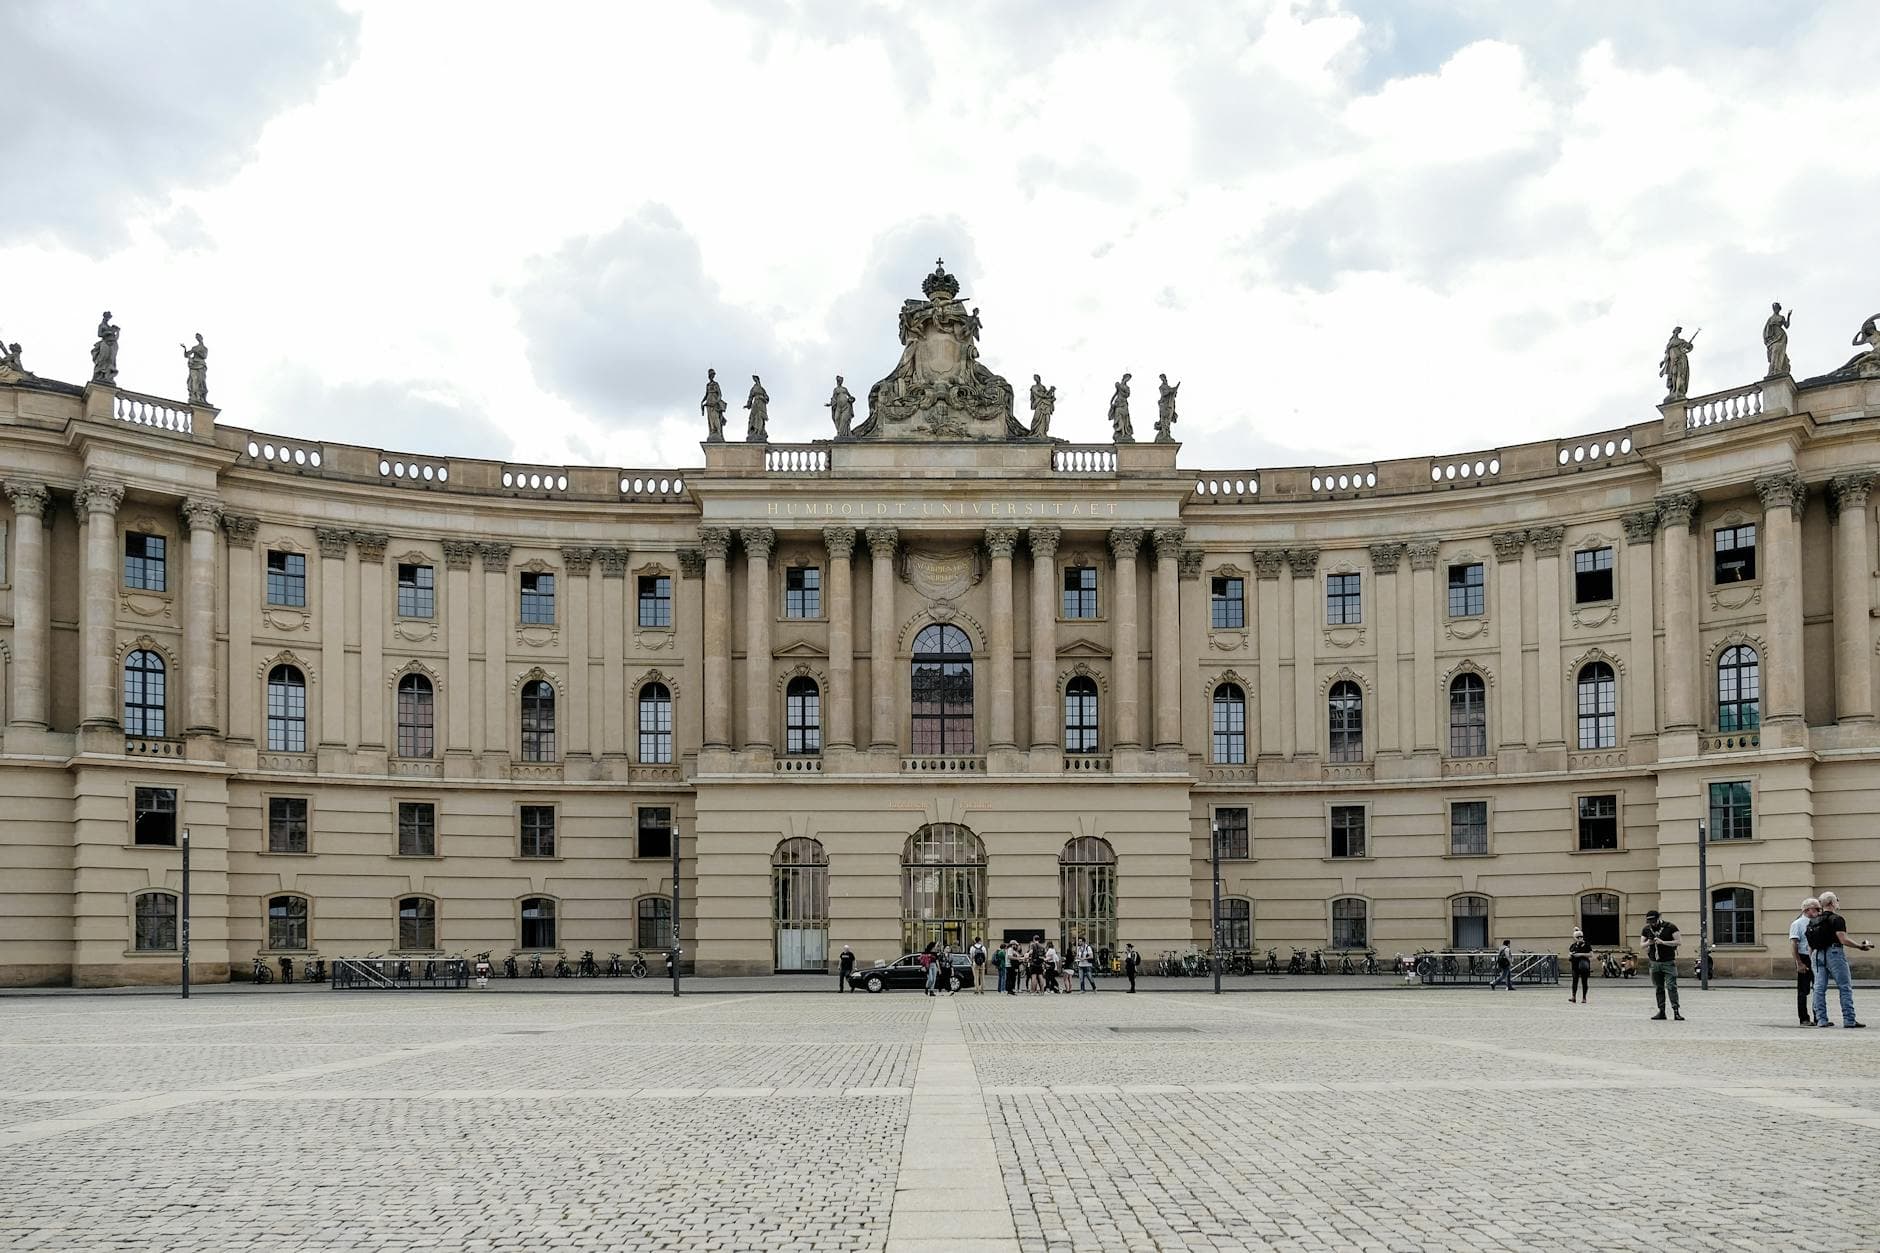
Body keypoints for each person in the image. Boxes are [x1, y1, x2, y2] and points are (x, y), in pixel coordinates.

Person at [1808, 890, 1874, 1028]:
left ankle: (1821, 1019)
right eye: (1837, 900)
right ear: (1832, 903)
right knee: (1844, 987)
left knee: (1819, 988)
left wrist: (1813, 958)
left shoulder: (1813, 920)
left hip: (1817, 954)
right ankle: (1849, 1019)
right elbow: (1843, 939)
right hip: (1834, 953)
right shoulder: (1837, 919)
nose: (1838, 903)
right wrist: (1860, 947)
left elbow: (1810, 944)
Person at [1641, 909, 1683, 1021]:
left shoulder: (1670, 927)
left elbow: (1678, 941)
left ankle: (1676, 1011)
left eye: (1654, 921)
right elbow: (1642, 945)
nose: (1652, 923)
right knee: (1659, 988)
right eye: (1650, 921)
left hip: (1668, 962)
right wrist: (1648, 943)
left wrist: (1663, 942)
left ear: (1658, 918)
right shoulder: (1646, 929)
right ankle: (1662, 1011)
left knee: (1671, 986)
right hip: (1654, 963)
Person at [1790, 899, 1820, 1026]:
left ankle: (1819, 1017)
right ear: (1808, 910)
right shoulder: (1797, 924)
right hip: (1804, 957)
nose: (1819, 911)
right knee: (1803, 990)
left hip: (1816, 957)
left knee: (1818, 988)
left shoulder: (1818, 922)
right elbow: (1793, 944)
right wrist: (1799, 962)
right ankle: (1804, 1018)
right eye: (1817, 909)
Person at [1568, 928, 1592, 1003]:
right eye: (1577, 937)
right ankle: (1573, 996)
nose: (1579, 939)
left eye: (1580, 937)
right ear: (1575, 938)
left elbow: (1591, 954)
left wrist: (1580, 954)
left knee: (1584, 982)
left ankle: (1584, 997)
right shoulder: (1573, 945)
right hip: (1575, 965)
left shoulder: (1586, 945)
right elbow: (1570, 953)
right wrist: (1570, 956)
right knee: (1574, 981)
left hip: (1584, 966)